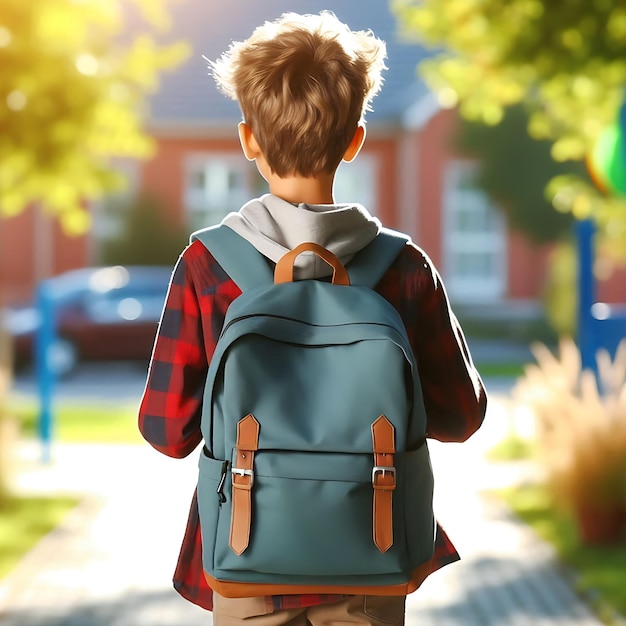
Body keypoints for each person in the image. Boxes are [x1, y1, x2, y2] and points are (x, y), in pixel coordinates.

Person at [138, 10, 487, 626]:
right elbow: (462, 417)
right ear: (355, 141)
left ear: (248, 139)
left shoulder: (206, 264)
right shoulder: (402, 266)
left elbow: (168, 432)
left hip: (246, 558)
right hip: (370, 553)